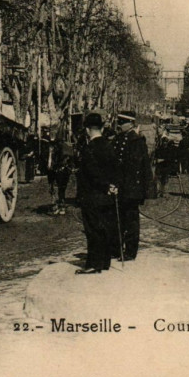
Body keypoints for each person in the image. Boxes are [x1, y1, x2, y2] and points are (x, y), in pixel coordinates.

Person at [75, 112, 119, 274]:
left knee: (93, 230)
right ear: (101, 128)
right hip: (107, 196)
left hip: (92, 195)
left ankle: (94, 264)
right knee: (105, 228)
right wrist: (112, 186)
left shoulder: (89, 148)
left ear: (87, 130)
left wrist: (104, 185)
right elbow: (116, 169)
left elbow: (92, 174)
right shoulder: (109, 146)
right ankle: (105, 262)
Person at [112, 110, 153, 261]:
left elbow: (143, 166)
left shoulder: (137, 141)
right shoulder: (117, 139)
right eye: (119, 122)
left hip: (131, 188)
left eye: (122, 123)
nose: (119, 125)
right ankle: (117, 249)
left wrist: (145, 189)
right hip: (119, 187)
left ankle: (130, 251)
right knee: (118, 219)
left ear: (130, 123)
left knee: (131, 221)